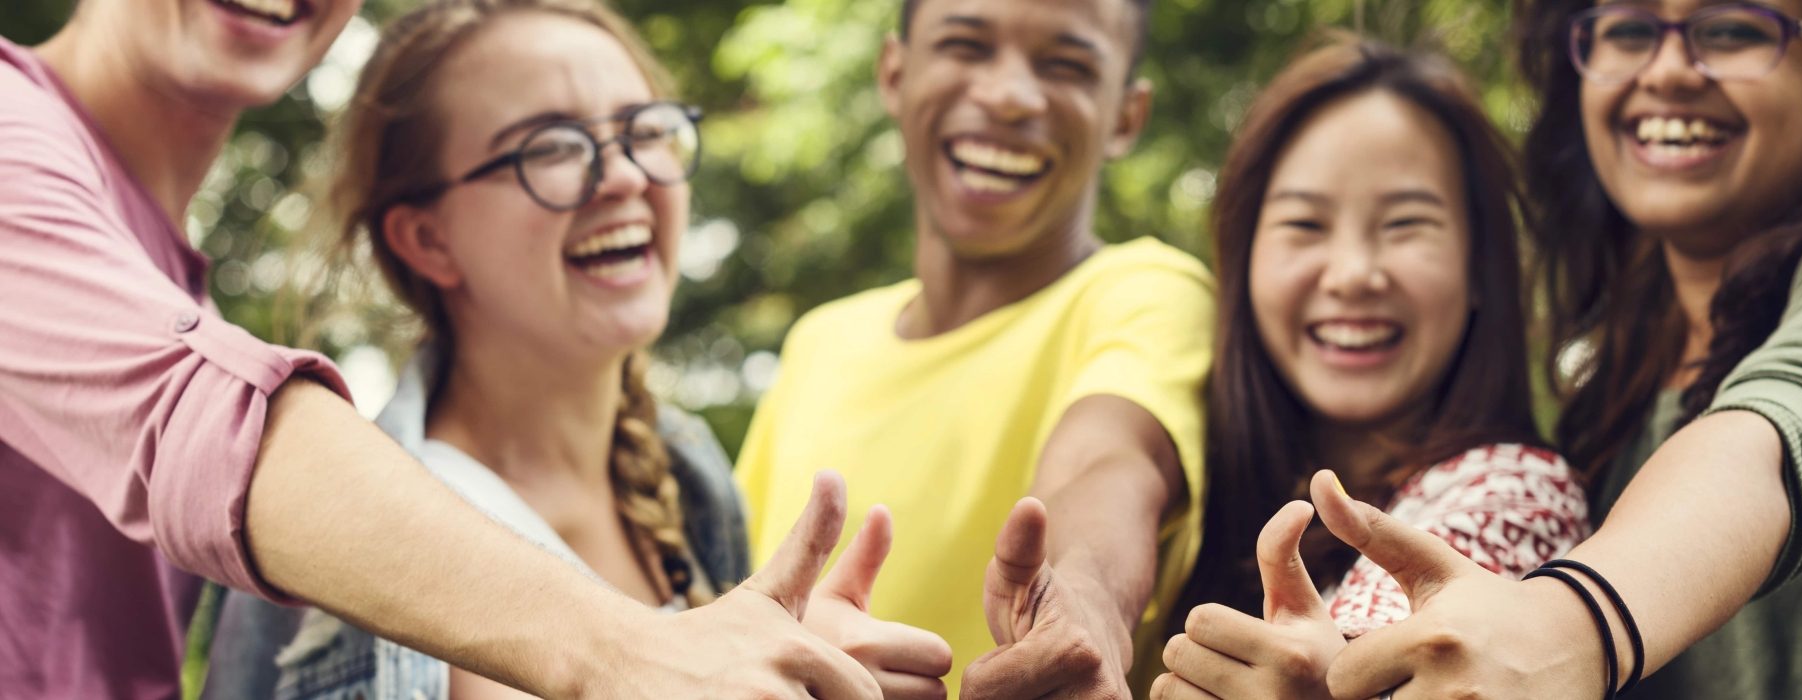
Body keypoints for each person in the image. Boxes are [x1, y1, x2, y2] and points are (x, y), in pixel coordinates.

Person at [0, 0, 882, 697]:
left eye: (644, 132)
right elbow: (191, 417)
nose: (620, 176)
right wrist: (626, 653)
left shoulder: (148, 264)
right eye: (549, 148)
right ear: (424, 239)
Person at [1306, 2, 1802, 698]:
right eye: (1628, 29)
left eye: (1733, 29)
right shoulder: (1606, 401)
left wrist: (1568, 624)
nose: (1667, 72)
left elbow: (1793, 427)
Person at [732, 0, 1213, 696]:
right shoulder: (819, 342)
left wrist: (1083, 602)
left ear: (1126, 116)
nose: (1008, 96)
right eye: (966, 46)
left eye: (1067, 64)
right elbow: (733, 602)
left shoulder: (1146, 292)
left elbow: (1111, 462)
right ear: (894, 74)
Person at [1148, 38, 1586, 700]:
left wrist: (1337, 681)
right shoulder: (1188, 497)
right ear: (1245, 262)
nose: (1353, 274)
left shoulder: (1518, 495)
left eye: (1406, 224)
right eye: (1305, 223)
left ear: (1478, 270)